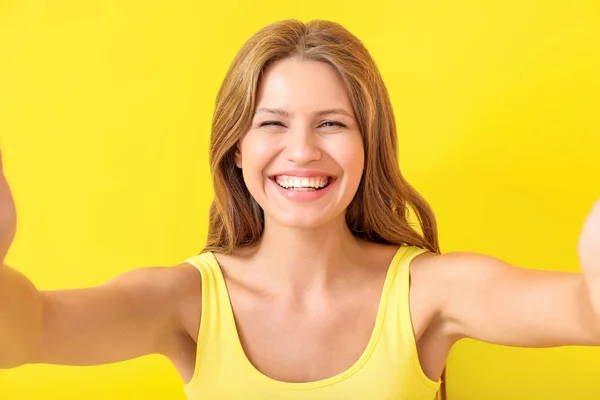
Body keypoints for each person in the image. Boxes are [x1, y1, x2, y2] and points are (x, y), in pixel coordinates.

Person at [0, 19, 599, 400]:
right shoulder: (185, 301)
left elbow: (584, 312)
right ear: (238, 148)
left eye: (332, 124)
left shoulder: (429, 292)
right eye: (273, 124)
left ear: (370, 144)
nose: (303, 150)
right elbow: (30, 331)